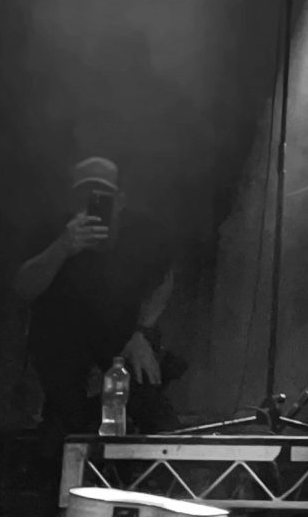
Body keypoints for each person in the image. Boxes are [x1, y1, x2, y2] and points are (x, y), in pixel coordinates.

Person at [14, 156, 184, 439]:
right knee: (65, 427)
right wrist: (62, 247)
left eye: (102, 196)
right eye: (84, 195)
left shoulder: (142, 234)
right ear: (72, 200)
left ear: (121, 200)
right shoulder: (53, 231)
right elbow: (23, 287)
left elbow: (164, 279)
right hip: (62, 345)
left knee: (156, 414)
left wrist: (143, 331)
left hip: (124, 341)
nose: (92, 202)